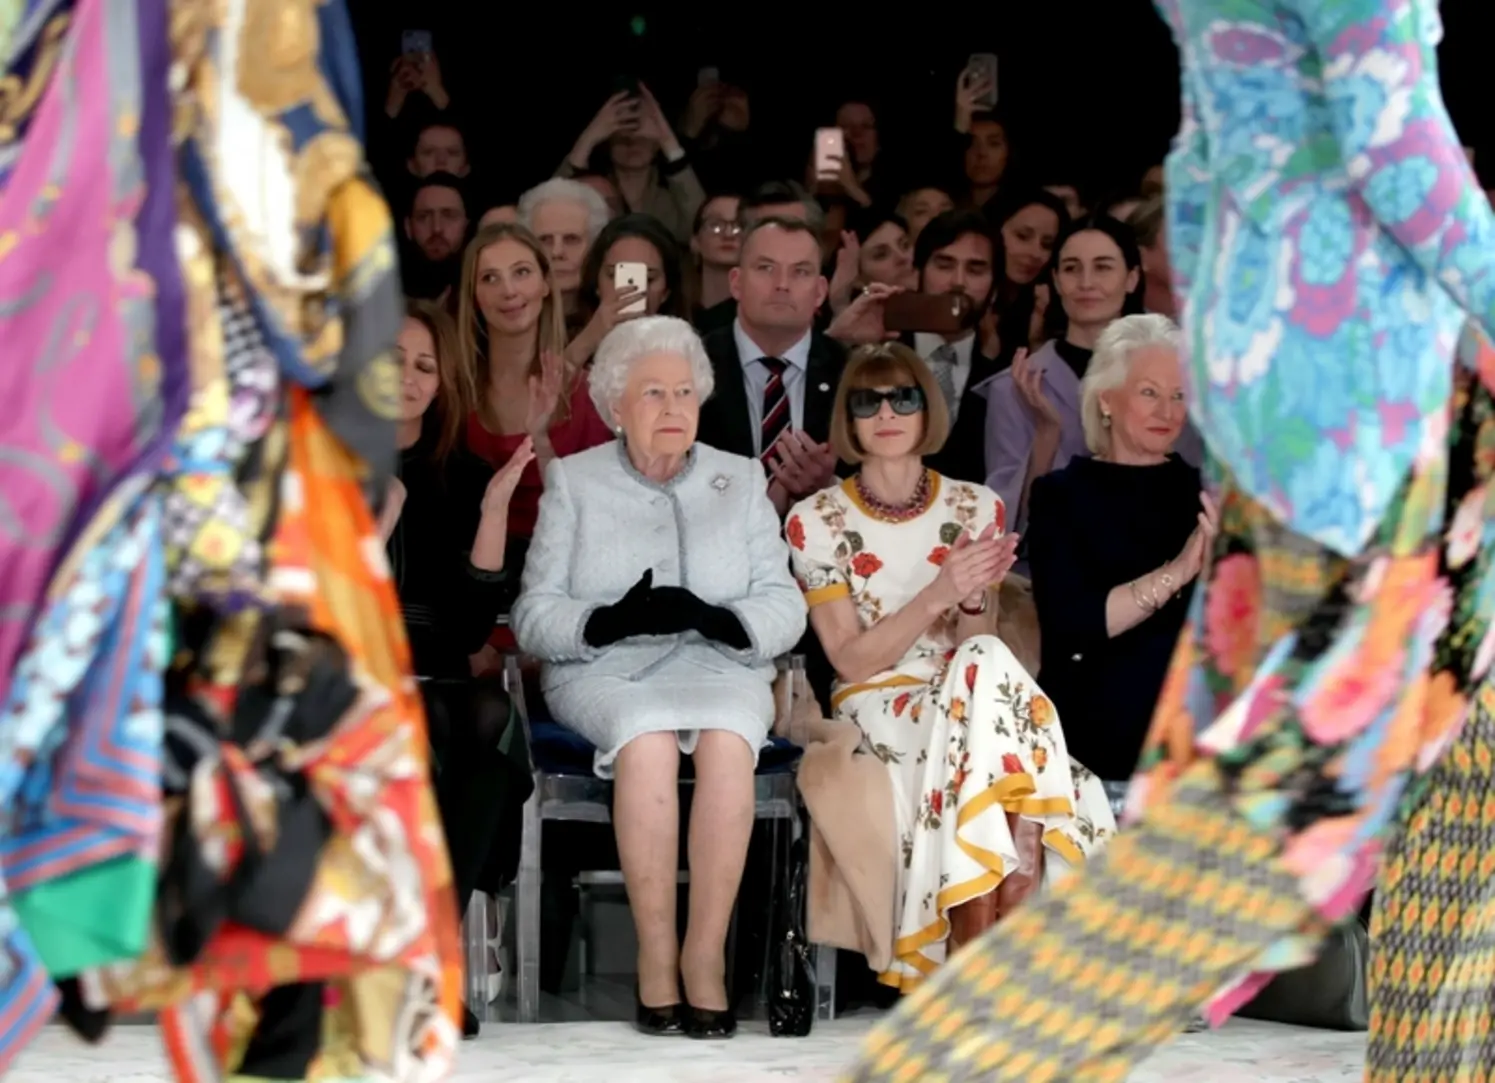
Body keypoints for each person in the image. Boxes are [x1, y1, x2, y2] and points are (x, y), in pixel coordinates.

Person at [842, 2, 1495, 1079]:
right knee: (1417, 770)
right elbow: (1400, 159)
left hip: (1298, 365)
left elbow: (1205, 170)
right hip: (1370, 379)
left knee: (1412, 765)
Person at [512, 316, 806, 1039]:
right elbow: (533, 613)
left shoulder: (737, 478)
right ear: (616, 407)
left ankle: (703, 955)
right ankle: (654, 954)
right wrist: (604, 621)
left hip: (718, 662)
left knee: (728, 741)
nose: (672, 407)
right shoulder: (573, 482)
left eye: (684, 391)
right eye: (652, 393)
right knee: (643, 740)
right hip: (605, 668)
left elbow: (782, 601)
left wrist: (720, 619)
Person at [787, 342, 1115, 991]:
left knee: (984, 662)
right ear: (848, 419)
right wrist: (936, 593)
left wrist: (967, 598)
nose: (886, 412)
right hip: (881, 696)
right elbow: (848, 659)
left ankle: (973, 960)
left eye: (902, 396)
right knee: (1007, 726)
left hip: (971, 695)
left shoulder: (975, 507)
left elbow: (977, 633)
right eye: (866, 400)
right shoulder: (813, 519)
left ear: (925, 408)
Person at [383, 301, 534, 1038]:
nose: (407, 380)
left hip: (439, 671)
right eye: (391, 361)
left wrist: (492, 515)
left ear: (441, 383)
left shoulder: (466, 471)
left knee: (488, 719)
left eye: (422, 366)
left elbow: (475, 629)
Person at [1024, 314, 1204, 804]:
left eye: (1179, 395)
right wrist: (1179, 572)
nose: (1167, 409)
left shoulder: (1207, 497)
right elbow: (1073, 626)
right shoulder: (1060, 497)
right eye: (1149, 392)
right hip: (1091, 751)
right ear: (1106, 398)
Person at [981, 213, 1145, 534]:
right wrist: (1046, 435)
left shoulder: (1171, 377)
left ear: (1132, 278)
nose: (1086, 283)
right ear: (1056, 280)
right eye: (1071, 268)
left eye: (1103, 267)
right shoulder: (1014, 386)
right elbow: (1006, 525)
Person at [456, 223, 614, 557]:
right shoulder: (453, 391)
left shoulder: (589, 393)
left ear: (545, 284)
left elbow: (601, 513)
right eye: (490, 278)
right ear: (473, 296)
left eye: (522, 272)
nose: (509, 291)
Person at [566, 213, 688, 365]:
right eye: (615, 275)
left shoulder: (687, 349)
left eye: (648, 278)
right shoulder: (556, 336)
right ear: (596, 283)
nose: (631, 289)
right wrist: (588, 340)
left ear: (666, 291)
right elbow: (545, 386)